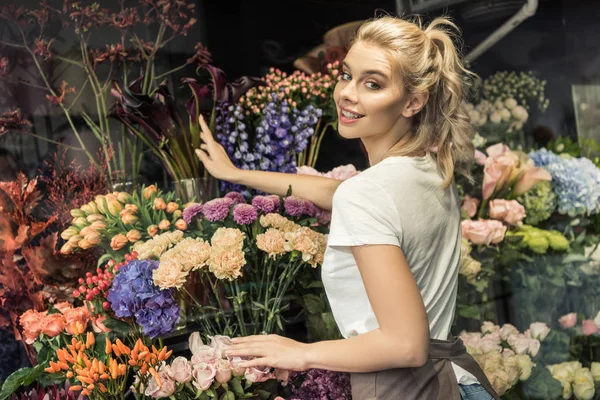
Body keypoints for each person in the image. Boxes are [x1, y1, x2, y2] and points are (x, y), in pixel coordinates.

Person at [195, 14, 499, 400]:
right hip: (457, 381)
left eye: (372, 84)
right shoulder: (430, 169)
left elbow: (406, 345)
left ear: (414, 101)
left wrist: (300, 353)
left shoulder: (369, 193)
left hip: (406, 388)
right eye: (346, 75)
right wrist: (237, 173)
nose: (347, 93)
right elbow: (336, 192)